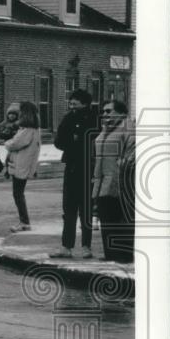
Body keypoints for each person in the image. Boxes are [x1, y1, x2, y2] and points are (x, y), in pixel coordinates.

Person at [50, 89, 97, 259]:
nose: (72, 105)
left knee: (86, 210)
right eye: (71, 102)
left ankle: (86, 246)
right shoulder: (68, 118)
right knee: (69, 209)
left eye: (75, 102)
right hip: (71, 167)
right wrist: (74, 142)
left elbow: (94, 140)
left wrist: (77, 141)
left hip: (88, 168)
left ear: (85, 103)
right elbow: (58, 141)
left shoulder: (94, 118)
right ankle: (66, 246)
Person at [91, 100, 134, 263]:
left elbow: (134, 150)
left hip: (121, 182)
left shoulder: (128, 127)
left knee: (120, 220)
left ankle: (123, 256)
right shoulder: (106, 129)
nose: (105, 114)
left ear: (121, 112)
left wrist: (125, 162)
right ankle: (110, 254)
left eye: (109, 111)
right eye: (104, 111)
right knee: (106, 218)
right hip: (103, 181)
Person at [3, 101, 42, 233]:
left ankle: (24, 221)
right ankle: (24, 221)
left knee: (18, 194)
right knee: (18, 194)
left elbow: (15, 143)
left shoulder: (27, 130)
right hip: (22, 164)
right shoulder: (31, 129)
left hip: (21, 165)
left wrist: (7, 143)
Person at [0, 102, 21, 178]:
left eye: (14, 114)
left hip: (16, 144)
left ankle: (15, 171)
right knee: (9, 158)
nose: (11, 116)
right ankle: (7, 170)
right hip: (9, 144)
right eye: (10, 114)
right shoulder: (4, 123)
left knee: (16, 158)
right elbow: (0, 132)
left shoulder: (18, 124)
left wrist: (13, 132)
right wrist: (3, 133)